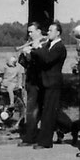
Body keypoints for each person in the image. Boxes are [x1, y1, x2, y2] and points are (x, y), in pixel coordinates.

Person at [28, 21, 71, 149]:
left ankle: (45, 142)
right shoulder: (48, 45)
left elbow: (47, 59)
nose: (48, 32)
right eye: (48, 30)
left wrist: (37, 48)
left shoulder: (60, 47)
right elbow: (41, 58)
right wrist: (29, 53)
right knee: (50, 111)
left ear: (58, 33)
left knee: (48, 113)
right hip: (44, 82)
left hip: (53, 83)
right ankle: (69, 126)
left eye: (51, 30)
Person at [17, 22, 45, 146]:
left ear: (38, 31)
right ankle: (31, 135)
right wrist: (25, 54)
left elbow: (44, 61)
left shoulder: (45, 43)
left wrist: (34, 51)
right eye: (28, 32)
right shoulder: (30, 44)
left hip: (41, 81)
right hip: (31, 81)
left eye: (31, 31)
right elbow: (24, 64)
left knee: (40, 109)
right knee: (32, 109)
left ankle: (66, 127)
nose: (29, 34)